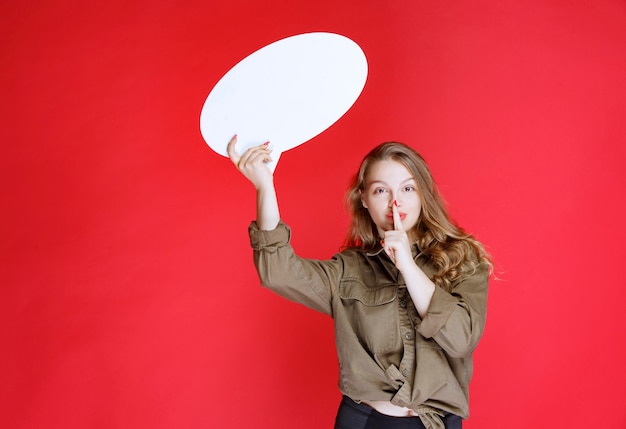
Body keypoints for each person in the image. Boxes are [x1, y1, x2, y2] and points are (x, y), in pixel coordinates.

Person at [227, 136, 492, 429]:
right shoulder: (348, 270)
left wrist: (407, 265)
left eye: (407, 188)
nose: (395, 201)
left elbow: (462, 339)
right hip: (365, 421)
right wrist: (265, 186)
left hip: (436, 423)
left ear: (423, 193)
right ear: (364, 199)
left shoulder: (463, 259)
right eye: (381, 190)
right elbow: (277, 272)